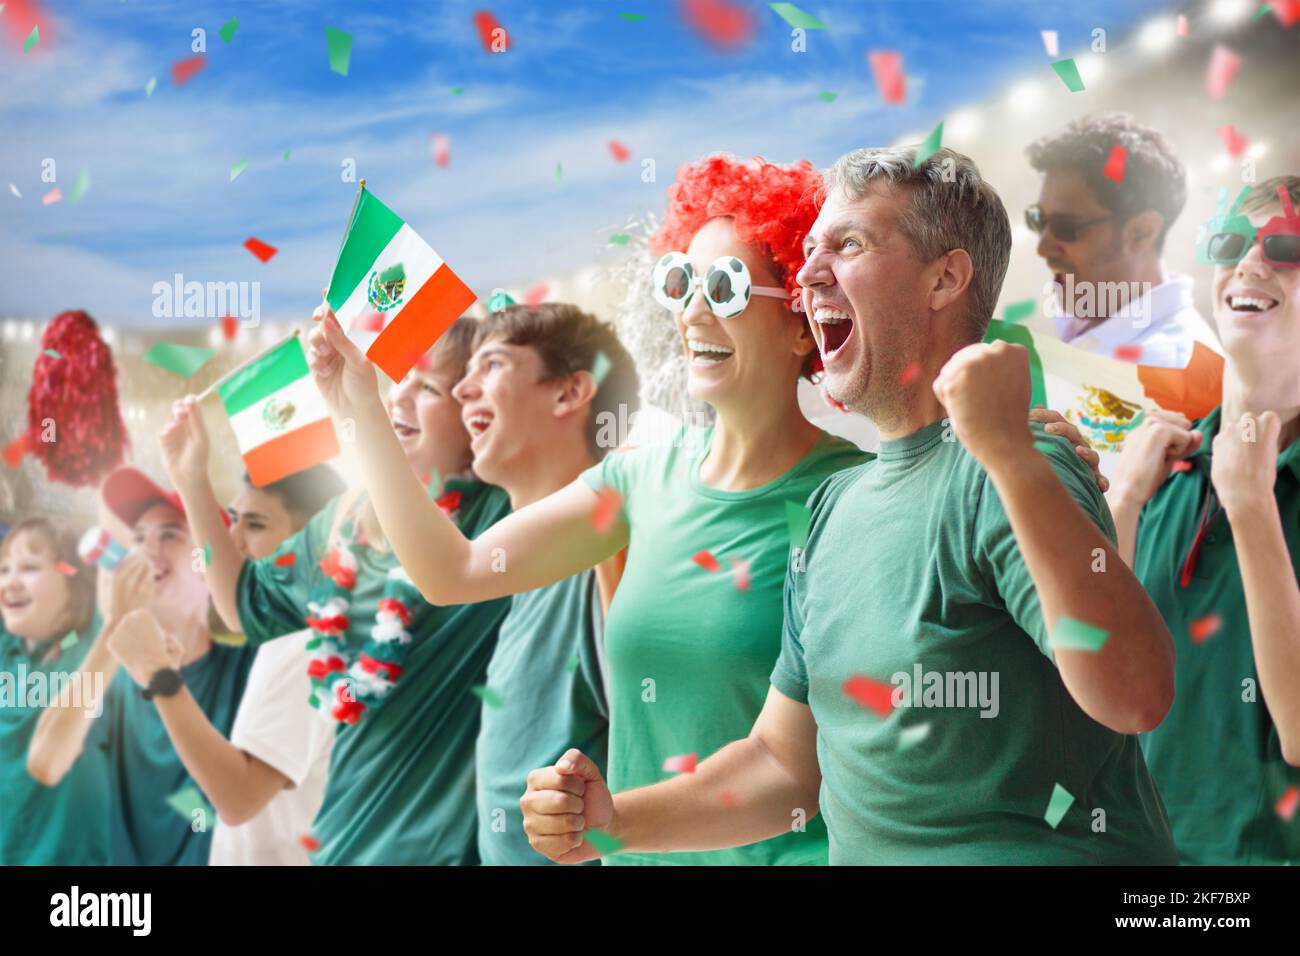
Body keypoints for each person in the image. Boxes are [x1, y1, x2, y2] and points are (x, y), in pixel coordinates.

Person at [308, 153, 1108, 865]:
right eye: (678, 283)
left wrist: (1008, 451)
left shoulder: (852, 495)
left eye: (723, 287)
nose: (691, 312)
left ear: (801, 322)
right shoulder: (635, 481)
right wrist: (357, 408)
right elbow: (451, 571)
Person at [521, 146, 1178, 865]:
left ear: (945, 279)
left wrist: (1013, 456)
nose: (806, 274)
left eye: (849, 244)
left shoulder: (1021, 464)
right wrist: (613, 822)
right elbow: (782, 764)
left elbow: (1137, 694)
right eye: (807, 252)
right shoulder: (831, 508)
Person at [165, 317, 512, 865]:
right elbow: (240, 605)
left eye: (427, 386)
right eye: (398, 378)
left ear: (478, 409)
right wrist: (190, 480)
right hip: (343, 845)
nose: (399, 395)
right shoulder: (343, 525)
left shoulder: (498, 519)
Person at [314, 301, 635, 865]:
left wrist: (364, 405)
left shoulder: (610, 549)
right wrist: (354, 406)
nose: (464, 390)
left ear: (569, 393)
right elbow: (445, 567)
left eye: (491, 365)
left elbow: (652, 761)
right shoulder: (512, 578)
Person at [1109, 175, 1300, 864]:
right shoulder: (1163, 472)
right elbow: (1088, 681)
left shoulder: (1241, 487)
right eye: (1231, 243)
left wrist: (1251, 507)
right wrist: (1122, 504)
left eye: (1284, 246)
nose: (1250, 262)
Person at [105, 463, 344, 866]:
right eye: (232, 521)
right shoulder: (283, 639)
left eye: (255, 525)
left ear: (316, 545)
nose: (229, 542)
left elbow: (238, 797)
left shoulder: (309, 644)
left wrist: (159, 676)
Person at [28, 468, 257, 865]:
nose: (147, 551)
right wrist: (117, 625)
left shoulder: (248, 669)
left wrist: (186, 809)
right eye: (137, 539)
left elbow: (240, 812)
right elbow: (46, 763)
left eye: (169, 534)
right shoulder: (110, 682)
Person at [1025, 112, 1221, 366]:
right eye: (1038, 220)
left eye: (1066, 227)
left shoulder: (1161, 370)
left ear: (1142, 232)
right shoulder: (1090, 318)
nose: (1043, 247)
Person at [0, 519, 115, 864]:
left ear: (71, 575)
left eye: (30, 568)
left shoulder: (95, 640)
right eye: (4, 570)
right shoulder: (7, 647)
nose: (10, 582)